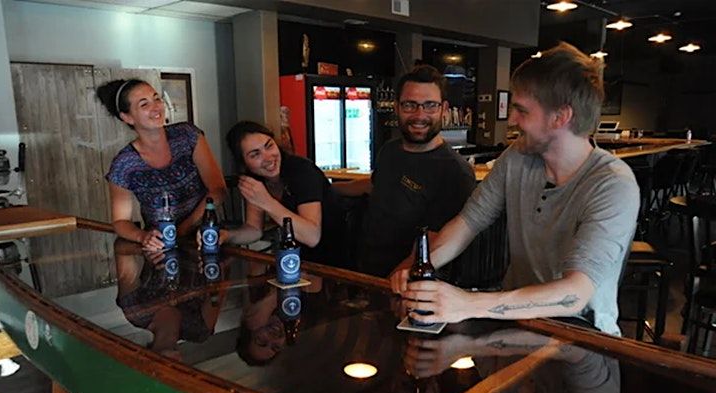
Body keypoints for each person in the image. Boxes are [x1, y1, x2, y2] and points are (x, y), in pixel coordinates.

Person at [392, 42, 640, 335]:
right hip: (515, 327)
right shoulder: (517, 158)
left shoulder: (612, 184)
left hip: (583, 338)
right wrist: (419, 267)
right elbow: (468, 222)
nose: (511, 120)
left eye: (522, 110)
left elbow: (576, 293)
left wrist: (468, 303)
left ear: (560, 117)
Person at [335, 65, 477, 277]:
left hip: (407, 282)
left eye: (430, 105)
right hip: (364, 270)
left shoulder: (455, 172)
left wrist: (390, 283)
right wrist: (328, 187)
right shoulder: (390, 150)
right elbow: (374, 185)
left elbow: (430, 246)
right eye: (410, 105)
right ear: (397, 107)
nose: (419, 115)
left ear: (444, 109)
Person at [96, 79, 227, 251]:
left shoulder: (188, 136)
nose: (156, 107)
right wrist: (143, 236)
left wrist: (183, 229)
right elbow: (121, 221)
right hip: (162, 247)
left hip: (209, 238)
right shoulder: (123, 164)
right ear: (127, 117)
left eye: (156, 98)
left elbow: (218, 190)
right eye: (144, 104)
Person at [220, 120, 346, 267]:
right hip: (296, 259)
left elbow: (312, 236)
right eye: (255, 154)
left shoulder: (302, 170)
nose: (268, 157)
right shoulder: (255, 179)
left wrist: (266, 201)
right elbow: (254, 229)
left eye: (269, 146)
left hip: (334, 263)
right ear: (244, 163)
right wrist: (227, 236)